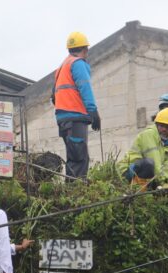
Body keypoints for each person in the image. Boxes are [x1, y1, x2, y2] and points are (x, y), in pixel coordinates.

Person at [52, 31, 100, 180]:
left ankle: (72, 188)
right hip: (75, 117)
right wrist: (93, 111)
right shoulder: (78, 64)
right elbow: (85, 87)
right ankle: (76, 190)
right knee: (79, 158)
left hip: (63, 119)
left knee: (74, 157)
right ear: (85, 49)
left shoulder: (61, 68)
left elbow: (53, 96)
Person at [117, 108, 168, 189]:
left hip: (146, 173)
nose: (164, 129)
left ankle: (151, 191)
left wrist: (166, 182)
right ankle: (137, 190)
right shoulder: (149, 134)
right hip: (128, 171)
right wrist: (162, 182)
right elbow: (154, 160)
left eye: (167, 127)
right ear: (156, 125)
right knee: (148, 164)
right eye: (161, 125)